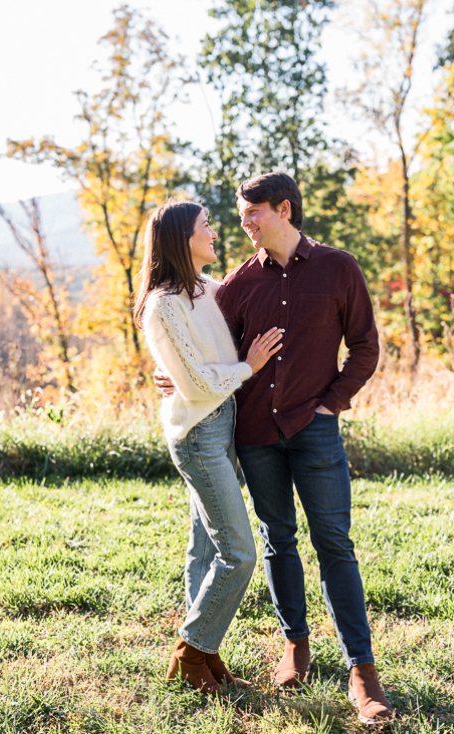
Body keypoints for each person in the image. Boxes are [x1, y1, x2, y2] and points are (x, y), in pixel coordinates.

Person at [157, 172, 393, 724]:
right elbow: (200, 346)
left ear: (284, 208)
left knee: (334, 541)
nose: (243, 223)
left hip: (315, 430)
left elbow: (364, 347)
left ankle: (363, 669)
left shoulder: (339, 268)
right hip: (257, 436)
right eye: (238, 215)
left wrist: (331, 404)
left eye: (252, 213)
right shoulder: (237, 284)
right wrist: (170, 373)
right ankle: (296, 647)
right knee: (277, 540)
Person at [133, 200, 283, 693]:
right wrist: (249, 367)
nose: (215, 232)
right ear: (182, 238)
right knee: (238, 553)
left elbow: (197, 364)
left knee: (204, 551)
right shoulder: (163, 304)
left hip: (222, 426)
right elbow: (197, 384)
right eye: (206, 226)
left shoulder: (206, 289)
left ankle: (201, 656)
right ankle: (193, 650)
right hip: (199, 434)